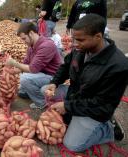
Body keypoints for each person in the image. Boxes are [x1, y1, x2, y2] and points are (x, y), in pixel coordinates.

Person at [44, 14, 128, 152]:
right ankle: (73, 117)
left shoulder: (118, 66)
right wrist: (54, 82)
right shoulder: (80, 49)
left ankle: (108, 129)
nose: (75, 44)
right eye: (74, 39)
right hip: (75, 95)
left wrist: (68, 106)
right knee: (45, 90)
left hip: (95, 107)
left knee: (72, 145)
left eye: (80, 40)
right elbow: (65, 66)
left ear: (98, 37)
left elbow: (103, 105)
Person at [6, 22, 62, 109]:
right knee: (22, 85)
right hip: (41, 74)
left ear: (31, 33)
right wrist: (12, 71)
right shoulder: (31, 46)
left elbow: (33, 69)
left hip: (53, 77)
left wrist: (14, 63)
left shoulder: (46, 45)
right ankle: (35, 92)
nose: (24, 42)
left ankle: (42, 103)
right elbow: (25, 64)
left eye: (24, 38)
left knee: (24, 79)